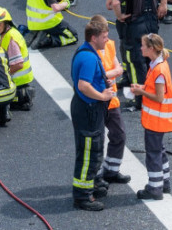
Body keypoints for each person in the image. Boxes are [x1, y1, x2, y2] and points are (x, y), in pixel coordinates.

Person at [111, 0, 172, 109]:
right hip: (152, 27)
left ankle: (140, 101)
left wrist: (120, 16)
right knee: (151, 60)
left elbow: (115, 2)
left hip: (135, 28)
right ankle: (154, 92)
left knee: (136, 63)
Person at [70, 19, 117, 211]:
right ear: (94, 37)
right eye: (104, 37)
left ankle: (93, 184)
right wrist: (102, 95)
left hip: (88, 108)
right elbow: (83, 85)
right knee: (89, 153)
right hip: (88, 109)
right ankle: (82, 196)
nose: (107, 40)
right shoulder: (89, 58)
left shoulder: (88, 52)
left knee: (92, 150)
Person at [130, 33, 172, 201]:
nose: (141, 48)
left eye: (143, 45)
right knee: (159, 151)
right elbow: (155, 90)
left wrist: (139, 91)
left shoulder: (158, 70)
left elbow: (158, 97)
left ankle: (155, 188)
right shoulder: (158, 64)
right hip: (160, 119)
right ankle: (164, 183)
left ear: (151, 48)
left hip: (156, 120)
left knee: (153, 154)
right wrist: (143, 87)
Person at [87, 15, 131, 187]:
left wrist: (110, 72)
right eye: (104, 35)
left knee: (119, 135)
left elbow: (118, 68)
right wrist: (112, 72)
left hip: (111, 100)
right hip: (97, 100)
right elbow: (104, 74)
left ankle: (111, 170)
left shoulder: (110, 45)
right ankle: (95, 176)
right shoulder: (92, 50)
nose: (107, 38)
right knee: (96, 141)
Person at [0, 7, 34, 111]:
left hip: (18, 82)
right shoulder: (6, 34)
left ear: (6, 23)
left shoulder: (11, 38)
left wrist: (2, 75)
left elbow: (18, 64)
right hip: (16, 80)